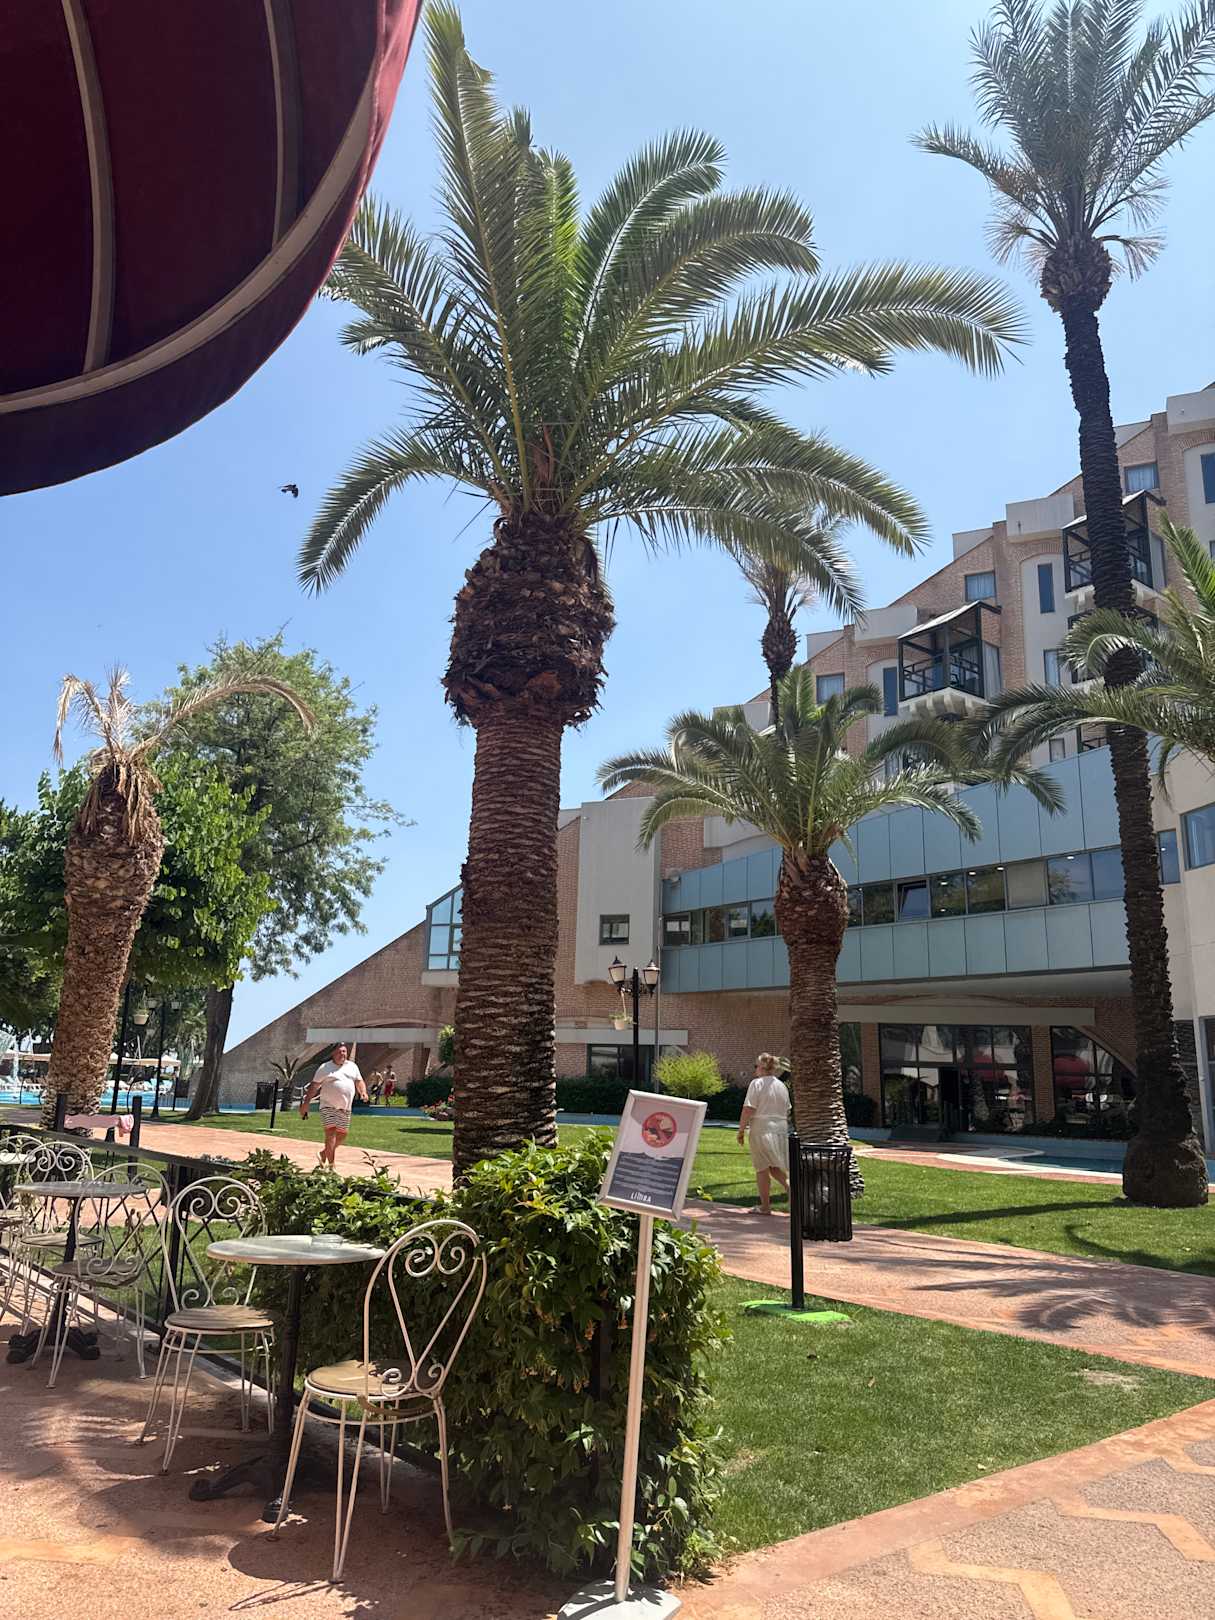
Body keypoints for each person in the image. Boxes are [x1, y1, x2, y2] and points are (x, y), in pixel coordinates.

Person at [737, 1053, 790, 1216]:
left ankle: (765, 1207)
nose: (755, 1069)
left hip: (761, 1128)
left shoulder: (757, 1083)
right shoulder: (781, 1086)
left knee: (761, 1168)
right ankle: (792, 1190)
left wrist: (741, 1130)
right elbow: (787, 1109)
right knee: (773, 1166)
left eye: (756, 1066)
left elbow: (748, 1109)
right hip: (781, 1129)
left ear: (761, 1067)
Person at [299, 1042, 368, 1169]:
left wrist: (363, 1092)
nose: (342, 1054)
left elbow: (359, 1081)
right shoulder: (325, 1068)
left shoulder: (352, 1066)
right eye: (339, 1052)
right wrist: (306, 1103)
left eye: (344, 1051)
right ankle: (331, 1166)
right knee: (331, 1134)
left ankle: (324, 1153)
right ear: (333, 1054)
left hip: (345, 1108)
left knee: (342, 1135)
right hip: (328, 1106)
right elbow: (314, 1086)